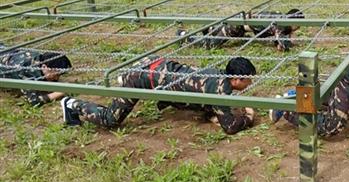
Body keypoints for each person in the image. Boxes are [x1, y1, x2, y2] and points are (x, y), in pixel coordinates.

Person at [61, 56, 256, 135]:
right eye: (248, 80)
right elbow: (230, 127)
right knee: (110, 119)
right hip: (140, 78)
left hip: (156, 67)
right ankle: (72, 104)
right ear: (236, 79)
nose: (250, 83)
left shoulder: (216, 75)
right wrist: (248, 116)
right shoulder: (220, 89)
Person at [176, 8, 304, 51]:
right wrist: (286, 44)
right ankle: (183, 36)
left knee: (217, 32)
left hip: (242, 26)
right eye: (299, 24)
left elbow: (277, 37)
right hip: (237, 26)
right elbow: (282, 44)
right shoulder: (281, 24)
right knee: (211, 45)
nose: (299, 27)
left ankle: (210, 29)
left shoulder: (280, 19)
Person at [0, 47, 72, 106]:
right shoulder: (26, 71)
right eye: (56, 74)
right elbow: (33, 101)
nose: (56, 78)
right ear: (44, 67)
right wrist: (60, 93)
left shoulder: (40, 59)